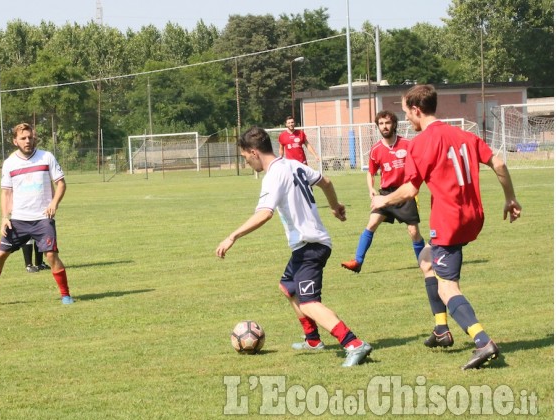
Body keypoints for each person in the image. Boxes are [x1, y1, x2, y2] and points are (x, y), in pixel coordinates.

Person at [371, 85, 521, 370]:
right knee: (426, 261)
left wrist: (382, 200)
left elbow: (409, 189)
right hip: (472, 215)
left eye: (406, 114)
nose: (406, 120)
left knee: (447, 287)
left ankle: (482, 340)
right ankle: (441, 330)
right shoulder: (465, 134)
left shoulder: (420, 143)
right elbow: (499, 164)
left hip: (448, 220)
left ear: (417, 110)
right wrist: (510, 198)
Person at [216, 126, 372, 367]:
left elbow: (264, 214)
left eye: (245, 157)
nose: (246, 162)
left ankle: (353, 343)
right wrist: (334, 206)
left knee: (309, 302)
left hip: (311, 245)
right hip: (306, 245)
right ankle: (312, 339)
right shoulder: (292, 164)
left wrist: (232, 236)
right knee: (288, 287)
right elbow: (326, 181)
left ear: (254, 152)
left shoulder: (273, 174)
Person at [0, 122, 74, 306]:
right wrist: (4, 217)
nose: (28, 141)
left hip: (42, 219)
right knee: (0, 255)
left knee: (50, 255)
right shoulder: (9, 163)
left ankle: (66, 295)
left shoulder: (46, 157)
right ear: (15, 141)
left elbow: (61, 184)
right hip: (18, 220)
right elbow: (6, 193)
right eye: (23, 138)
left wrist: (54, 203)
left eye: (30, 137)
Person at [341, 110, 425, 273]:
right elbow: (370, 172)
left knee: (413, 231)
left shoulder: (408, 145)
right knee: (371, 224)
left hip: (404, 193)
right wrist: (371, 188)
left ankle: (423, 263)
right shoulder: (376, 149)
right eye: (381, 123)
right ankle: (357, 262)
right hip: (385, 194)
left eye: (387, 123)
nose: (384, 126)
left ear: (394, 124)